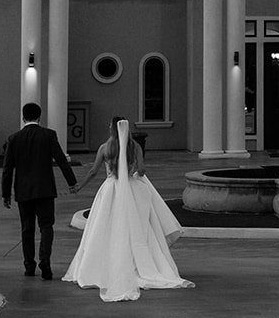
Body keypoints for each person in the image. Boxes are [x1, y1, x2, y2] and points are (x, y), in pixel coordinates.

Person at [63, 117, 194, 302]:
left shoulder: (105, 148)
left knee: (105, 227)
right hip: (131, 190)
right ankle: (138, 264)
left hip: (110, 189)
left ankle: (100, 267)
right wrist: (134, 171)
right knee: (136, 227)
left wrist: (79, 186)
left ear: (112, 129)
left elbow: (93, 171)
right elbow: (142, 169)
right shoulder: (135, 148)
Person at [0, 101, 78, 280]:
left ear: (23, 117)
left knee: (27, 228)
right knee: (46, 226)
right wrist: (71, 182)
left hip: (23, 191)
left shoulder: (14, 139)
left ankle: (29, 266)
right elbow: (61, 160)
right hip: (45, 189)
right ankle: (45, 260)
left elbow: (7, 169)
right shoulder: (48, 135)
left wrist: (6, 194)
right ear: (39, 116)